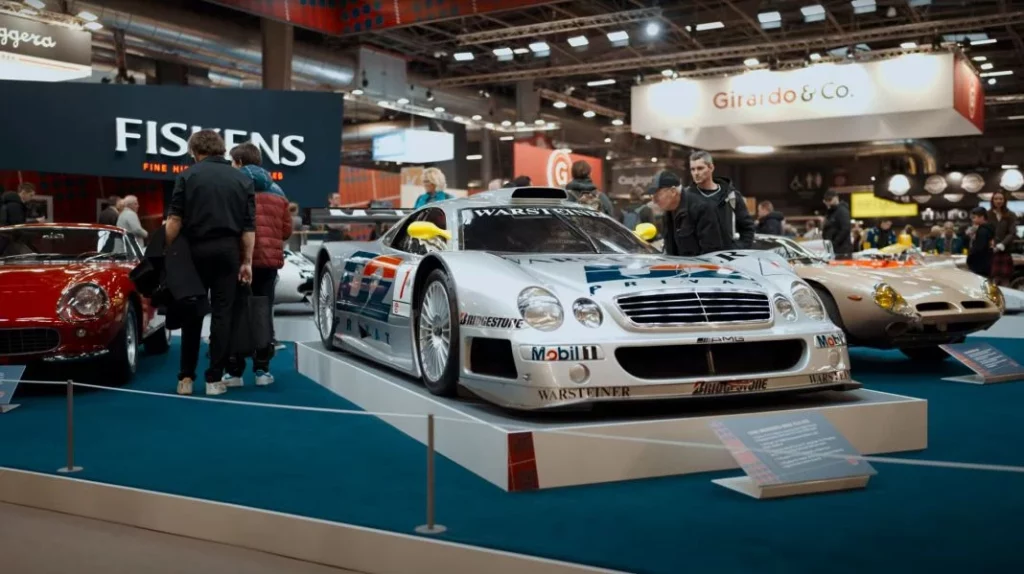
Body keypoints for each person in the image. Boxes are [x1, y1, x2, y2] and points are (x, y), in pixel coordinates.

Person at [165, 129, 256, 396]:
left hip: (193, 252)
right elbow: (248, 228)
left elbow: (174, 221)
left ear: (194, 151)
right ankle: (214, 379)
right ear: (221, 149)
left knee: (192, 313)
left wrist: (168, 252)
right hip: (228, 252)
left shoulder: (187, 176)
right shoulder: (241, 180)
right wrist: (247, 261)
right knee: (222, 314)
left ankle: (185, 379)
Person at [222, 141, 293, 388]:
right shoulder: (278, 191)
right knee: (263, 313)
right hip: (268, 263)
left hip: (240, 261)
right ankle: (262, 370)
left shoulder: (232, 186)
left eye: (232, 161)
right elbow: (286, 231)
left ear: (239, 162)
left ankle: (234, 372)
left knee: (235, 313)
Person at [653, 151, 755, 256]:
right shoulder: (685, 199)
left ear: (711, 168)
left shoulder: (731, 196)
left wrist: (737, 250)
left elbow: (747, 228)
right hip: (697, 260)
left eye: (700, 168)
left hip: (727, 257)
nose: (696, 173)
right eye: (693, 169)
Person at [988, 189, 1018, 286]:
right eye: (996, 199)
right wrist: (990, 242)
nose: (998, 201)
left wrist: (1002, 244)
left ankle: (1006, 299)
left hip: (1005, 251)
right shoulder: (988, 214)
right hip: (991, 251)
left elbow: (1012, 233)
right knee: (992, 280)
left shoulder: (1011, 214)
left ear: (1004, 200)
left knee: (1005, 280)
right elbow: (986, 230)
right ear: (992, 200)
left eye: (1001, 199)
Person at [821, 189, 853, 257]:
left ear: (836, 198)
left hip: (842, 251)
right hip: (834, 249)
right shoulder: (831, 212)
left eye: (830, 199)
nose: (828, 202)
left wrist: (834, 243)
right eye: (826, 200)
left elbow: (845, 229)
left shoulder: (842, 211)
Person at [967, 206, 995, 277]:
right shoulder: (989, 228)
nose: (972, 220)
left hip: (980, 264)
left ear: (982, 217)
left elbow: (979, 247)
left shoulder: (982, 231)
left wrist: (970, 257)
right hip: (987, 262)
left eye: (974, 217)